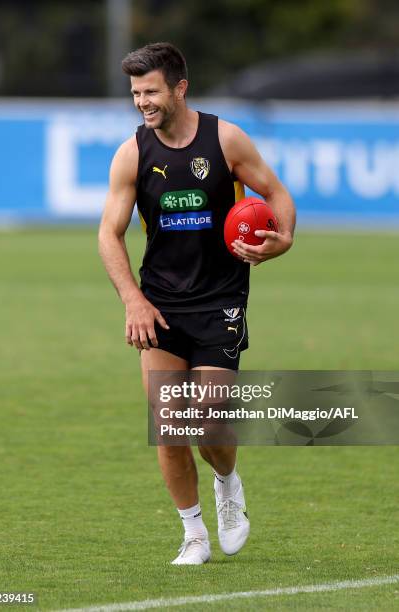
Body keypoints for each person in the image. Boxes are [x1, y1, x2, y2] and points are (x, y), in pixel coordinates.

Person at [98, 42, 296, 565]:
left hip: (220, 301)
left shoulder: (225, 139)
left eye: (152, 91)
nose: (142, 101)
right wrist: (133, 301)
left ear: (180, 88)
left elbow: (275, 194)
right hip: (160, 306)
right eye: (136, 93)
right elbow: (108, 234)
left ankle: (228, 484)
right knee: (168, 428)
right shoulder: (133, 153)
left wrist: (285, 238)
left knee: (207, 421)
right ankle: (193, 535)